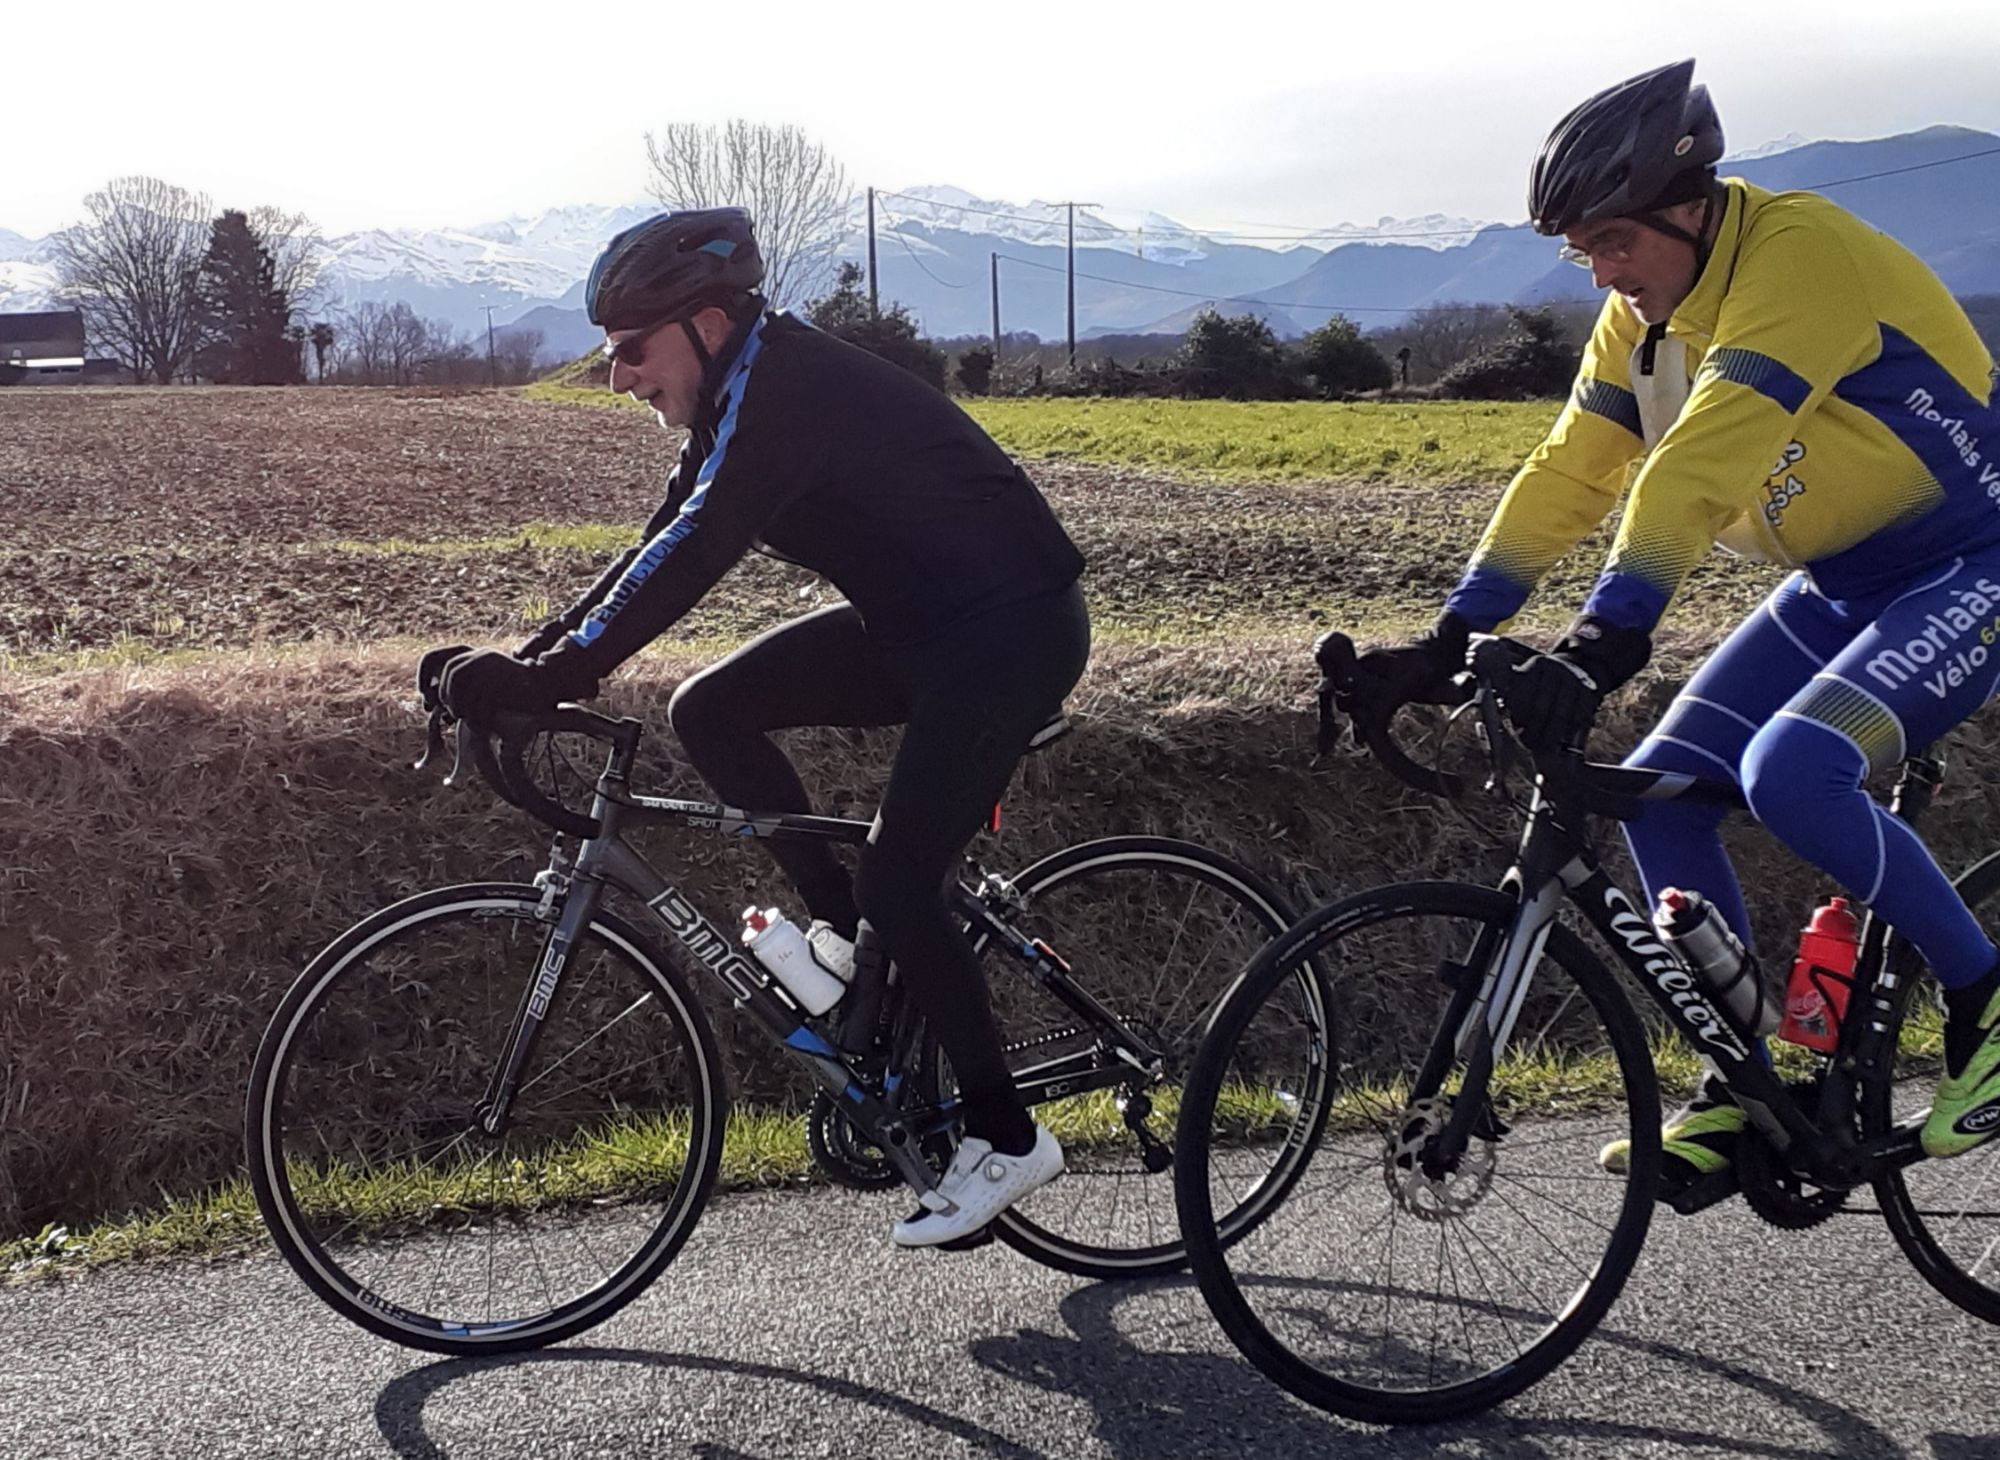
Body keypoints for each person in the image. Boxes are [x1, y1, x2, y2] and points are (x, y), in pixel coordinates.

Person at [1342, 59, 2000, 1193]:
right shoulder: (1639, 318)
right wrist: (1453, 632)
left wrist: (1606, 639)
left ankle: (1986, 1000)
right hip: (1839, 581)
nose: (1602, 272)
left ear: (1691, 207)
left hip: (1967, 564)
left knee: (1794, 772)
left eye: (1615, 241)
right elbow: (1572, 470)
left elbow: (1698, 464)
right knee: (1656, 794)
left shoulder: (1800, 256)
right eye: (1582, 252)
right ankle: (1747, 1086)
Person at [423, 207, 1089, 1246]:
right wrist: (537, 660)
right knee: (709, 708)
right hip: (920, 627)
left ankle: (1006, 1137)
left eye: (630, 350)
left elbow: (699, 546)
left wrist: (559, 671)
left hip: (1010, 632)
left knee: (900, 879)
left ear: (705, 324)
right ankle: (849, 947)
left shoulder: (789, 387)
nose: (618, 377)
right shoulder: (736, 393)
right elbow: (657, 539)